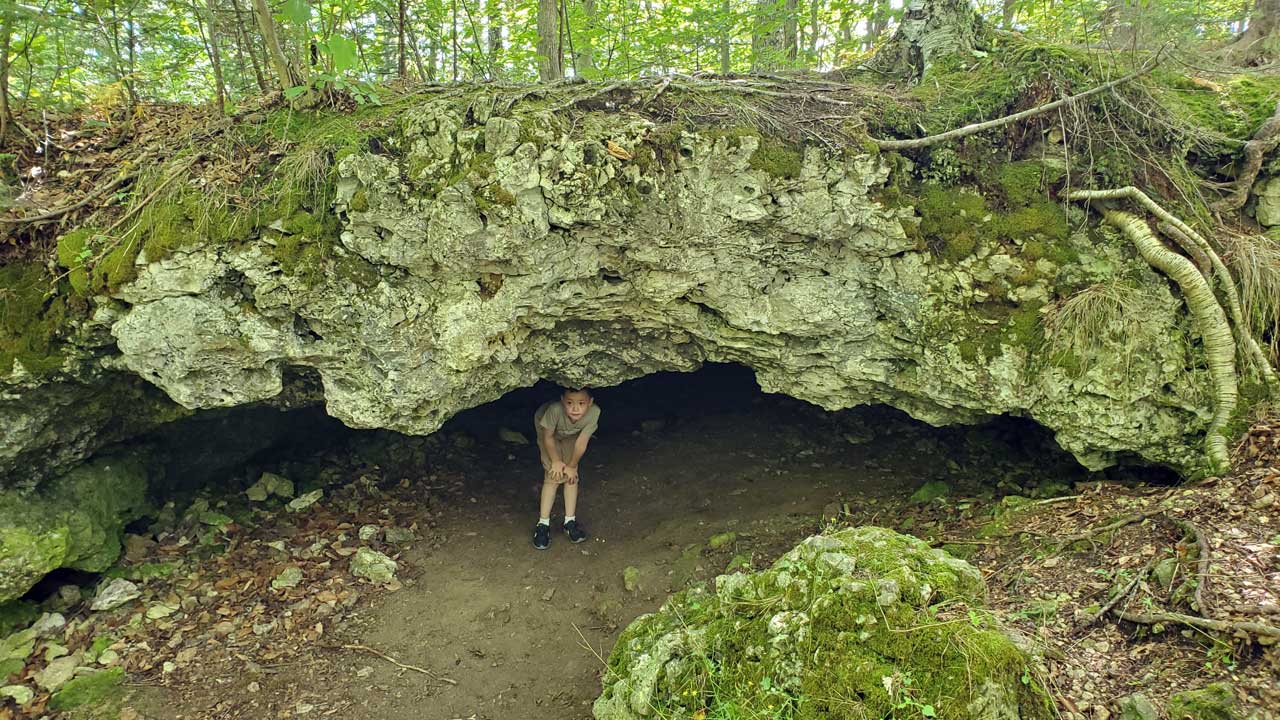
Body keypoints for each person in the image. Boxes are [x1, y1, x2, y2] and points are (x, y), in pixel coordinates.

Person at [532, 387, 601, 550]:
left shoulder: (594, 412)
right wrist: (556, 461)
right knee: (553, 476)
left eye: (581, 403)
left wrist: (571, 466)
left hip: (571, 434)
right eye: (570, 403)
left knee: (571, 476)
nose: (575, 408)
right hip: (548, 432)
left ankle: (569, 521)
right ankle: (543, 524)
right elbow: (548, 437)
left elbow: (581, 442)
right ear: (563, 401)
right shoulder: (555, 410)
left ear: (590, 403)